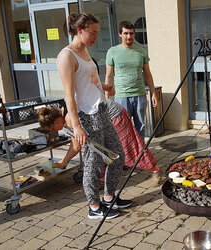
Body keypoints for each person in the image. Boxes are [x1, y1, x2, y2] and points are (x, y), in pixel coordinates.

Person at [56, 12, 131, 220]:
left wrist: (103, 86)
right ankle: (95, 207)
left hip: (102, 110)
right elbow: (68, 94)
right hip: (87, 117)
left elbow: (88, 81)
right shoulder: (66, 56)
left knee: (117, 155)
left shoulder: (85, 52)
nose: (96, 37)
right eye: (93, 33)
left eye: (97, 33)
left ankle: (109, 197)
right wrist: (77, 126)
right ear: (79, 31)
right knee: (94, 163)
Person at [37, 100, 163, 187]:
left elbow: (76, 146)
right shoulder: (65, 107)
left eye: (52, 130)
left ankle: (156, 170)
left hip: (114, 117)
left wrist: (64, 161)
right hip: (109, 115)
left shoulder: (69, 118)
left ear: (56, 123)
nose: (55, 132)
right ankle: (103, 179)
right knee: (101, 149)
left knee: (129, 148)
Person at [105, 20, 157, 141]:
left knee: (141, 127)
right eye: (126, 33)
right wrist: (106, 98)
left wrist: (153, 93)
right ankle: (127, 156)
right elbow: (109, 75)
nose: (129, 36)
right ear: (120, 34)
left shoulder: (141, 52)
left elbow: (148, 74)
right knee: (123, 128)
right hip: (121, 96)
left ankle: (140, 155)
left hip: (140, 95)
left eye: (131, 33)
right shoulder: (112, 52)